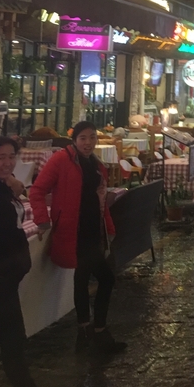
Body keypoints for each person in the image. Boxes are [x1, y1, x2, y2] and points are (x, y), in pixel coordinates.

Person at [0, 137, 65, 387]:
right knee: (13, 340)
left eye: (12, 156)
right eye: (1, 157)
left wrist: (14, 186)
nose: (8, 162)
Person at [29, 121, 126, 355]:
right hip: (73, 231)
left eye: (92, 137)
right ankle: (97, 332)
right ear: (74, 140)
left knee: (85, 279)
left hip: (93, 229)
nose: (88, 142)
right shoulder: (61, 160)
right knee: (102, 278)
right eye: (83, 138)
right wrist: (43, 220)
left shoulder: (95, 164)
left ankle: (87, 332)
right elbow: (37, 190)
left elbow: (100, 201)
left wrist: (109, 228)